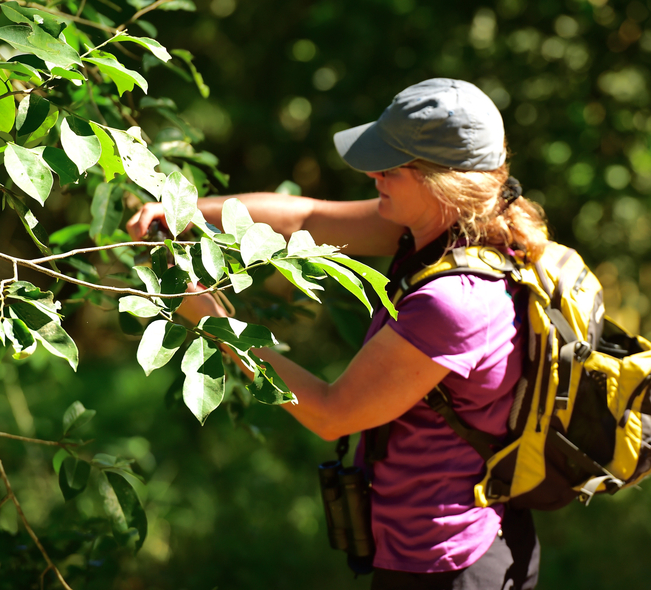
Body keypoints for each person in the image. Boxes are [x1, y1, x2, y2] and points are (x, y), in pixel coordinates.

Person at [127, 78, 546, 589]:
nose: (373, 174)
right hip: (433, 547)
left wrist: (211, 319)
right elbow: (304, 218)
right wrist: (186, 210)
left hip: (447, 565)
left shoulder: (455, 302)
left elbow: (330, 412)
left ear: (441, 181)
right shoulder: (447, 228)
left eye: (390, 167)